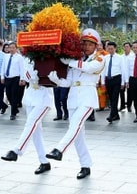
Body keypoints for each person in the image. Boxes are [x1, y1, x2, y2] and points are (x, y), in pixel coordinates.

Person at [46, 28, 105, 180]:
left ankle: (59, 150)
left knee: (75, 125)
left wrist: (70, 61)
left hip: (87, 98)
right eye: (84, 43)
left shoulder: (99, 59)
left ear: (96, 45)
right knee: (78, 135)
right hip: (73, 98)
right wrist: (56, 80)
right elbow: (68, 83)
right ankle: (85, 165)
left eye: (90, 44)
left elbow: (89, 68)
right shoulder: (77, 60)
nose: (86, 46)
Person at [1, 62, 54, 175]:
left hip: (44, 97)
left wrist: (35, 72)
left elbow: (44, 76)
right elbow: (27, 76)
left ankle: (16, 150)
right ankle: (44, 162)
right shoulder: (26, 58)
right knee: (36, 132)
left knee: (31, 123)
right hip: (30, 96)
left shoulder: (49, 58)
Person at [1, 42, 26, 120]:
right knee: (8, 94)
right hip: (7, 78)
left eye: (13, 48)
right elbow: (3, 67)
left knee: (14, 95)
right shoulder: (6, 56)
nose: (11, 49)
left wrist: (22, 79)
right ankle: (15, 109)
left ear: (16, 48)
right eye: (10, 47)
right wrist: (2, 77)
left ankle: (13, 113)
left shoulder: (19, 57)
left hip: (16, 78)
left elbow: (22, 69)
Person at [102, 41, 126, 123]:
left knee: (115, 97)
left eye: (112, 49)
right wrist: (102, 81)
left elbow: (123, 70)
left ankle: (111, 115)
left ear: (115, 49)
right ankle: (116, 115)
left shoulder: (120, 58)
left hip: (117, 79)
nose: (110, 50)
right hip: (108, 79)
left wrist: (123, 82)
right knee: (111, 98)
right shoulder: (105, 58)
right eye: (109, 49)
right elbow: (103, 70)